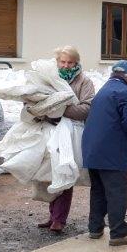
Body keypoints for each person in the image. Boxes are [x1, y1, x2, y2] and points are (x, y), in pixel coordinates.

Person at [81, 60, 127, 246]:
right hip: (111, 151)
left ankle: (95, 228)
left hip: (91, 149)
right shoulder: (125, 92)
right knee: (116, 191)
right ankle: (118, 233)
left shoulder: (103, 90)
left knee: (98, 190)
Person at [36, 46, 95, 233]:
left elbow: (87, 108)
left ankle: (59, 219)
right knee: (50, 171)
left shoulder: (84, 82)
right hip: (50, 130)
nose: (66, 65)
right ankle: (53, 215)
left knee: (65, 170)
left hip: (71, 134)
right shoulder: (50, 78)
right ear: (57, 62)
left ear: (76, 63)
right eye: (63, 61)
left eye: (70, 62)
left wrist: (59, 109)